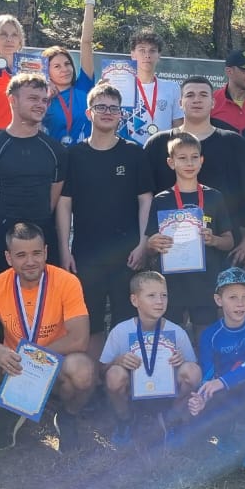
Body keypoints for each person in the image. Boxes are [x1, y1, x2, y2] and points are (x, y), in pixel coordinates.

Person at [0, 222, 97, 450]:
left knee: (82, 370)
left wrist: (32, 356)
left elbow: (79, 340)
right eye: (21, 255)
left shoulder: (67, 281)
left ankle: (66, 415)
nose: (30, 261)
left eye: (36, 253)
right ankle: (7, 411)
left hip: (54, 363)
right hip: (13, 366)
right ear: (8, 257)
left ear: (46, 252)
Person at [57, 82, 154, 358]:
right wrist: (64, 250)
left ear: (121, 115)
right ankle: (93, 379)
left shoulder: (134, 153)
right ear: (89, 113)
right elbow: (64, 204)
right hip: (86, 255)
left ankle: (123, 379)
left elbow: (146, 200)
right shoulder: (74, 155)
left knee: (127, 322)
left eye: (114, 108)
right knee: (92, 325)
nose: (108, 112)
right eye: (101, 107)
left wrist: (143, 243)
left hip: (128, 255)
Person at [143, 77, 245, 267]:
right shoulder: (157, 144)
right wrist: (144, 244)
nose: (196, 100)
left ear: (213, 102)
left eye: (203, 95)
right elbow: (143, 197)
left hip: (224, 255)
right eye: (190, 95)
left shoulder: (233, 142)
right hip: (169, 255)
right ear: (180, 102)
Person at [0, 72, 68, 277]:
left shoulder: (56, 151)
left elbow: (51, 203)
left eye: (44, 100)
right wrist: (3, 230)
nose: (40, 105)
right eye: (33, 98)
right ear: (12, 100)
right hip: (2, 243)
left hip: (43, 242)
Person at [145, 133, 234, 341]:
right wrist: (153, 244)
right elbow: (149, 245)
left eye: (194, 157)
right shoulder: (161, 200)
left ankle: (203, 364)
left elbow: (229, 241)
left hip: (205, 282)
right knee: (170, 338)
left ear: (201, 161)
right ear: (171, 162)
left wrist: (214, 240)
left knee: (204, 337)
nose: (189, 163)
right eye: (182, 158)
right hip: (171, 283)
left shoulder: (214, 197)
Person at [100, 271, 201, 446]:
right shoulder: (121, 331)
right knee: (114, 374)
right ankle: (125, 420)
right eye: (151, 296)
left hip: (167, 394)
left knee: (192, 371)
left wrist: (182, 361)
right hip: (132, 393)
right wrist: (118, 361)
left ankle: (172, 420)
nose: (160, 301)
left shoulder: (176, 332)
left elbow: (194, 370)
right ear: (135, 300)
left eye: (164, 295)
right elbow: (102, 371)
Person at [188, 267, 245, 472]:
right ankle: (225, 438)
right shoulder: (210, 335)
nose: (240, 303)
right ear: (219, 300)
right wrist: (201, 399)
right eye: (233, 297)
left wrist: (223, 381)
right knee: (208, 395)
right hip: (227, 396)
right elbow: (208, 375)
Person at [42, 0, 99, 145]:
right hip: (53, 156)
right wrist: (45, 96)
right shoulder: (41, 96)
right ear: (46, 71)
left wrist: (89, 0)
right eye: (57, 66)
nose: (65, 69)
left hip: (82, 155)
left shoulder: (84, 87)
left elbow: (86, 42)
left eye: (67, 64)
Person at [121, 28, 183, 144]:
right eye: (142, 50)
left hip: (162, 150)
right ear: (133, 54)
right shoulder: (121, 87)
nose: (147, 55)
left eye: (152, 51)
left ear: (159, 55)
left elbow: (178, 126)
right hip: (130, 150)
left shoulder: (172, 88)